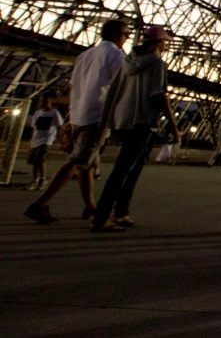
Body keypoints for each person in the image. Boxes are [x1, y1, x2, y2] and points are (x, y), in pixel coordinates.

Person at [26, 20, 129, 225]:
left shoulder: (85, 55)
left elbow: (73, 87)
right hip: (97, 116)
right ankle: (39, 204)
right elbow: (122, 86)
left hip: (79, 114)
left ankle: (91, 208)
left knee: (86, 164)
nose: (127, 38)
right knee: (76, 161)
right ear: (115, 35)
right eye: (126, 34)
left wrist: (72, 115)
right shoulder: (116, 56)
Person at [90, 25, 182, 232]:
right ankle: (101, 217)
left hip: (125, 119)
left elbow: (115, 89)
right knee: (123, 170)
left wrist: (108, 118)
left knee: (131, 169)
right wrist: (173, 126)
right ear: (159, 43)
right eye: (165, 42)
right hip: (143, 121)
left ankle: (121, 211)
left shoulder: (128, 60)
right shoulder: (156, 62)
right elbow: (158, 95)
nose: (166, 46)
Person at [25, 96, 64, 191]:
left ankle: (43, 179)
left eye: (45, 102)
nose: (42, 103)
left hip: (46, 139)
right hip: (36, 139)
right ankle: (35, 180)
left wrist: (58, 138)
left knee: (40, 159)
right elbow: (34, 127)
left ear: (50, 102)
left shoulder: (54, 113)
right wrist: (31, 140)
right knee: (34, 161)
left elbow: (60, 126)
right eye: (41, 101)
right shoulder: (37, 113)